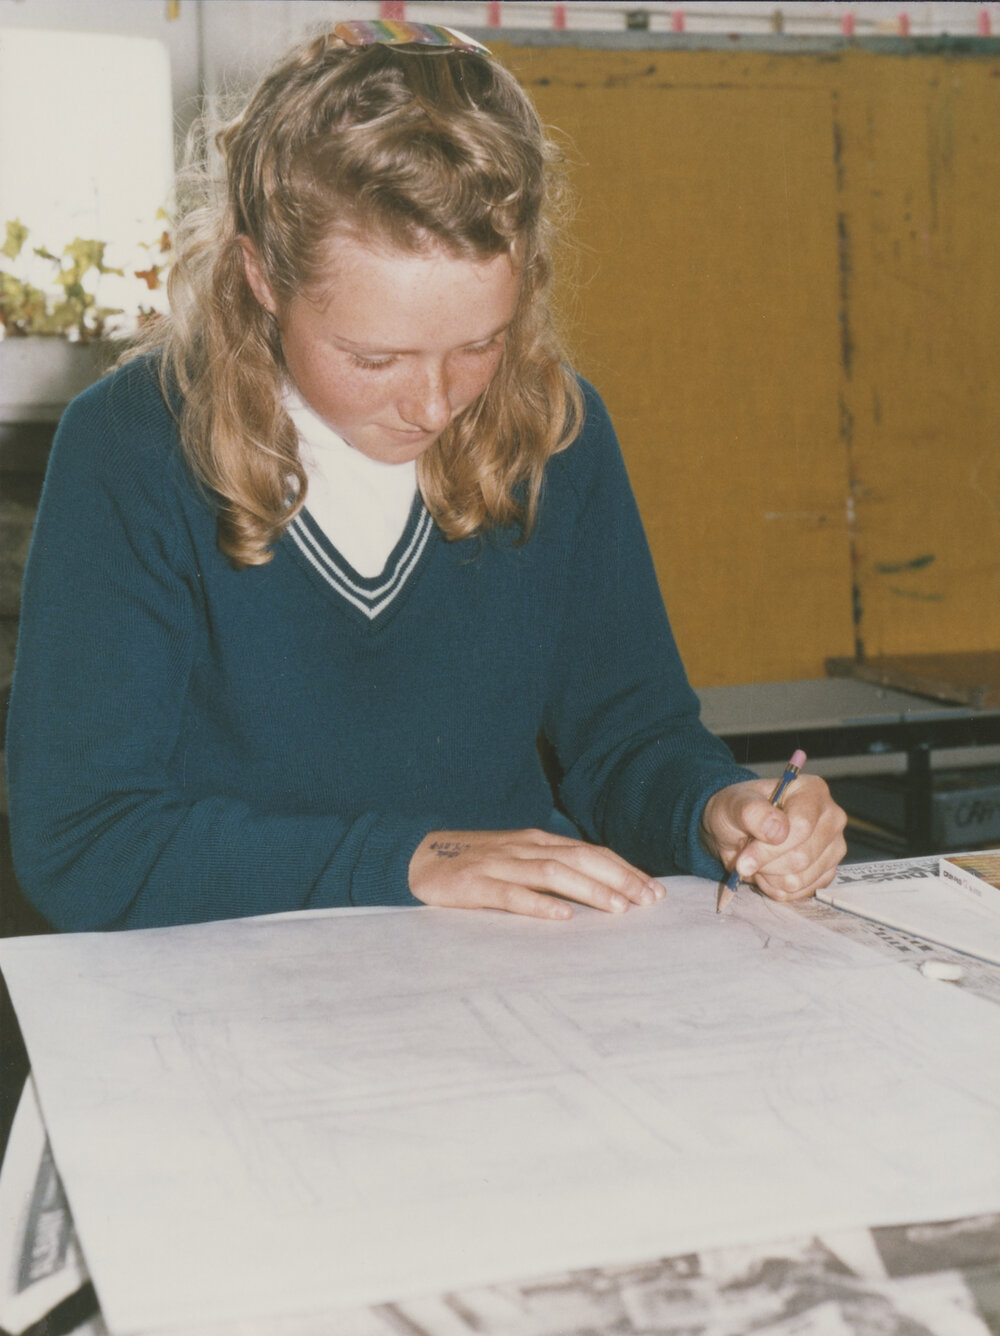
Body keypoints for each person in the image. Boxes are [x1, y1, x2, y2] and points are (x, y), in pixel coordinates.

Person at [6, 21, 846, 934]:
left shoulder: (555, 429)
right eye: (375, 358)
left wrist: (714, 808)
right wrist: (410, 858)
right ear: (260, 278)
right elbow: (84, 843)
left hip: (507, 982)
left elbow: (629, 739)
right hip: (228, 1001)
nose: (435, 404)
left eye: (480, 343)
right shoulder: (133, 445)